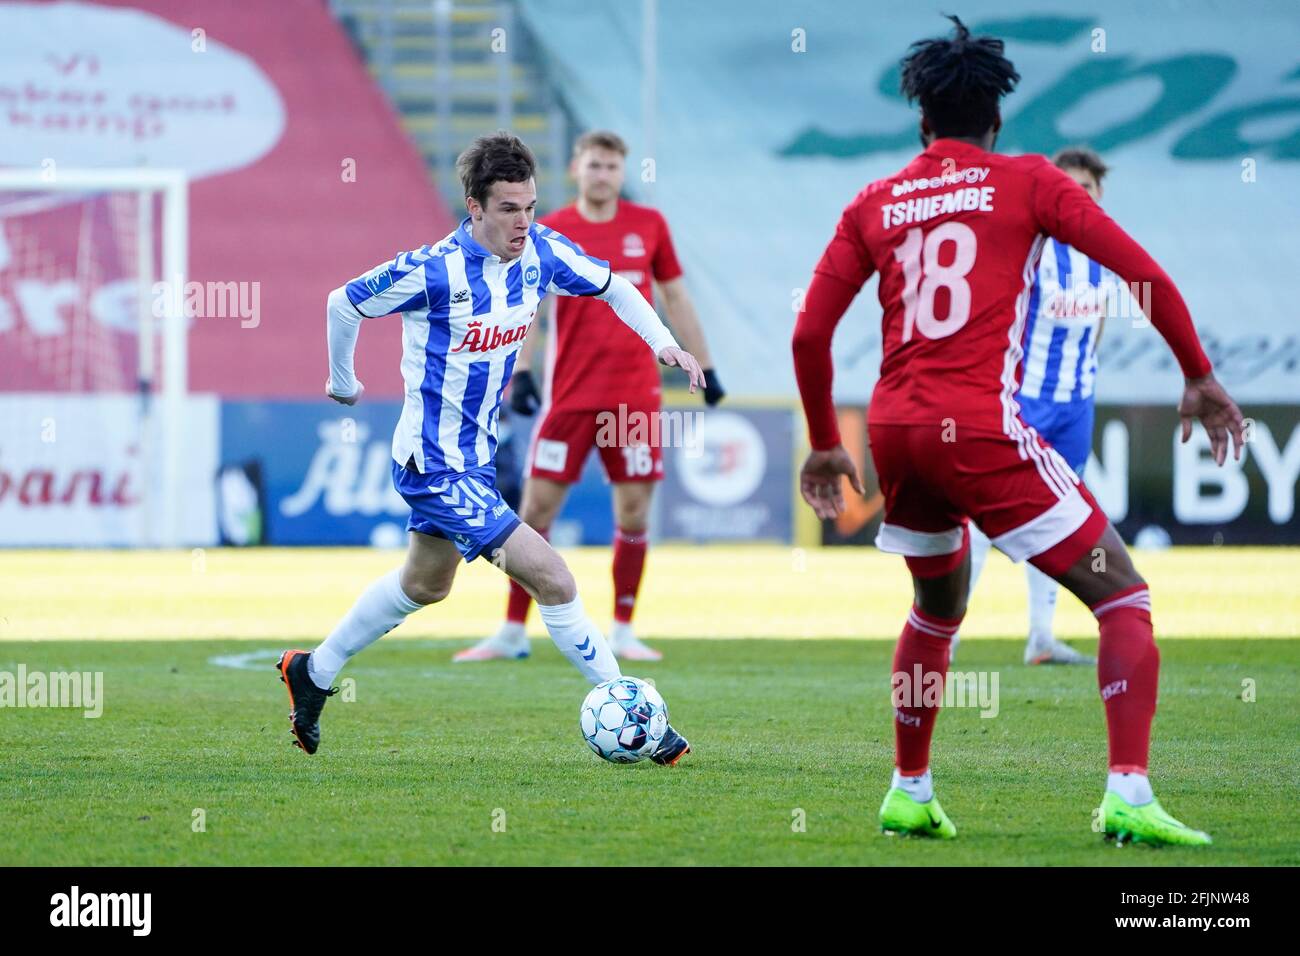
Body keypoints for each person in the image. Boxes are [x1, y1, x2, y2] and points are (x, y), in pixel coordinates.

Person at [792, 17, 1243, 845]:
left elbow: (810, 334)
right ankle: (1129, 794)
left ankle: (909, 788)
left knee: (936, 611)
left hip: (894, 428)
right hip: (981, 424)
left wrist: (825, 438)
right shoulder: (1028, 180)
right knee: (1123, 594)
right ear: (996, 121)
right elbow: (1140, 271)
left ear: (921, 120)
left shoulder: (874, 201)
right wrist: (1199, 375)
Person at [276, 131, 706, 766]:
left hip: (471, 459)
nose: (523, 222)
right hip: (433, 464)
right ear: (474, 207)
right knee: (554, 577)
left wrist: (661, 342)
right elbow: (344, 303)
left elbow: (615, 287)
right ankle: (636, 713)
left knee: (425, 585)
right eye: (509, 208)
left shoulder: (542, 254)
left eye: (530, 206)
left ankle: (312, 671)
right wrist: (344, 382)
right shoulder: (432, 271)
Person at [457, 129, 723, 664]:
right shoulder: (548, 229)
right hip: (571, 396)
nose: (602, 175)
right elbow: (527, 304)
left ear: (621, 174)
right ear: (576, 169)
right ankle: (512, 631)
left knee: (632, 512)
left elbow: (675, 297)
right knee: (534, 510)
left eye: (611, 167)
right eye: (594, 165)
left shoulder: (649, 226)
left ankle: (623, 628)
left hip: (634, 398)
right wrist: (525, 370)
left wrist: (707, 365)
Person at [960, 146, 1118, 666]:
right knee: (982, 517)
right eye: (1068, 185)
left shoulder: (1104, 254)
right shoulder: (1035, 247)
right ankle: (947, 636)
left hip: (1076, 406)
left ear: (1100, 194)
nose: (1077, 195)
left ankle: (1041, 638)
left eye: (1087, 187)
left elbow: (1096, 326)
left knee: (1059, 515)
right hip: (1024, 401)